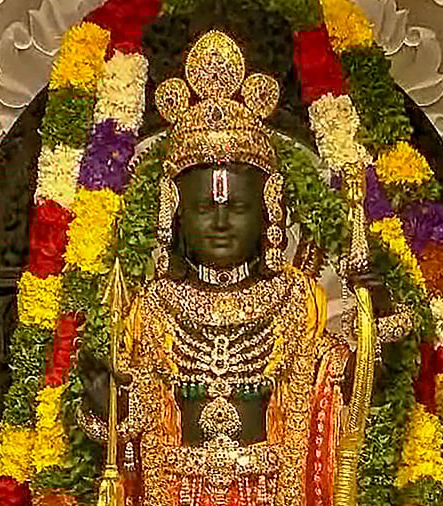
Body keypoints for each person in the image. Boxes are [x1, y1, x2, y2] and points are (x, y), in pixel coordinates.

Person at [75, 30, 411, 505]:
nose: (219, 223)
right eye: (202, 208)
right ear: (174, 213)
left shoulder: (294, 301)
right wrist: (105, 402)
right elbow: (136, 427)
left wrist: (377, 318)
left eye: (236, 207)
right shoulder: (152, 308)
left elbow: (339, 392)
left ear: (268, 208)